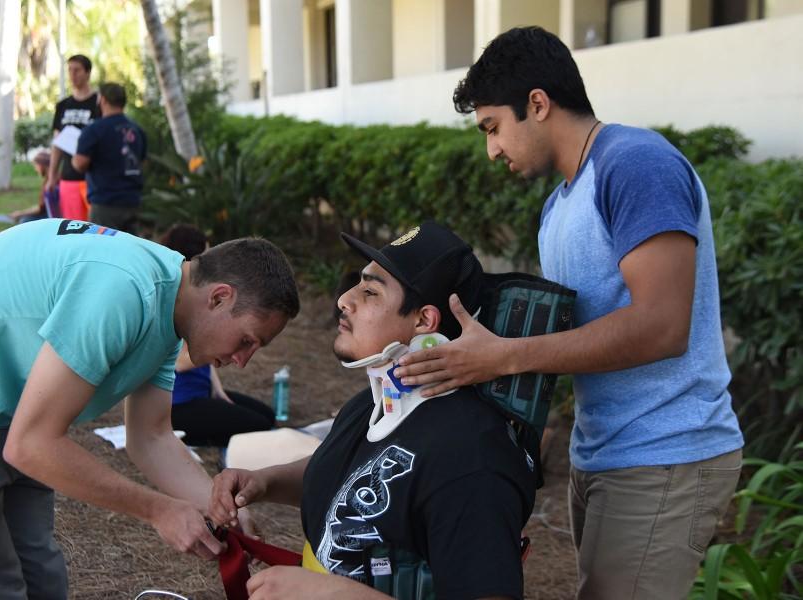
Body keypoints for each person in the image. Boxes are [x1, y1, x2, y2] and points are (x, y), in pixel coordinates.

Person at [392, 27, 744, 599]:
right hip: (603, 452)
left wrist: (503, 358)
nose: (492, 150)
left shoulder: (636, 164)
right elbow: (582, 337)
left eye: (492, 128)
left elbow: (662, 325)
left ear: (537, 103)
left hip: (666, 452)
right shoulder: (558, 206)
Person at [0, 218, 299, 599]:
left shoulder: (170, 302)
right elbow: (31, 444)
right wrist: (159, 511)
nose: (243, 360)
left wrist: (214, 506)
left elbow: (151, 436)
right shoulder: (123, 291)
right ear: (219, 296)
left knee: (41, 577)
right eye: (248, 340)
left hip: (3, 408)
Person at [209, 222, 536, 600]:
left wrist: (329, 595)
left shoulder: (470, 458)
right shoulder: (374, 405)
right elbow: (361, 483)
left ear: (424, 322)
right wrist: (263, 482)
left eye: (370, 291)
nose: (344, 300)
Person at [160, 224, 276, 447]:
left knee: (267, 416)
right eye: (207, 254)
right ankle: (189, 437)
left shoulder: (204, 299)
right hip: (177, 403)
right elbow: (179, 363)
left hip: (201, 393)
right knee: (258, 426)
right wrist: (226, 349)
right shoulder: (177, 303)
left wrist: (218, 391)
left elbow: (207, 361)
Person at [72, 82, 146, 234]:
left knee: (103, 250)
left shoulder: (94, 130)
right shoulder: (138, 130)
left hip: (105, 203)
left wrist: (74, 159)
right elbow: (143, 163)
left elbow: (80, 163)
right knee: (130, 249)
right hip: (133, 201)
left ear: (103, 100)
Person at [46, 54, 100, 221]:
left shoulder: (98, 103)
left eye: (77, 70)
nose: (72, 75)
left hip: (94, 178)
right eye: (69, 70)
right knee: (74, 228)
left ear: (88, 73)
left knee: (97, 229)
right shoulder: (63, 106)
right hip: (69, 178)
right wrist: (52, 175)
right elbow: (57, 144)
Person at [8, 150, 53, 224]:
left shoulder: (49, 183)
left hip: (51, 216)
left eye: (36, 166)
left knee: (24, 221)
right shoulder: (51, 179)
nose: (36, 169)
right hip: (50, 213)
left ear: (41, 165)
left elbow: (40, 209)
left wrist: (20, 213)